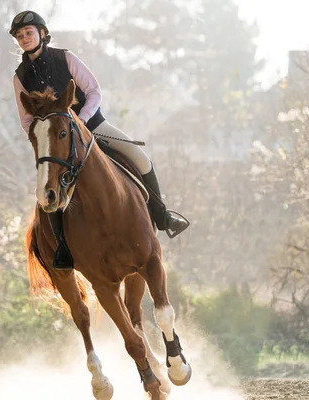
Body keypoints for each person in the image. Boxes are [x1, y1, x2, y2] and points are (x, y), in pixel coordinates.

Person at [10, 10, 189, 268]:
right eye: (19, 36)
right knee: (50, 189)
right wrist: (41, 141)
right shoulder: (20, 77)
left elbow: (94, 91)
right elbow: (26, 119)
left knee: (141, 158)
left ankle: (162, 216)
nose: (24, 38)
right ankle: (62, 248)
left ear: (41, 33)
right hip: (56, 142)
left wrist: (81, 120)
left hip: (93, 125)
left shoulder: (65, 57)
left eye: (28, 33)